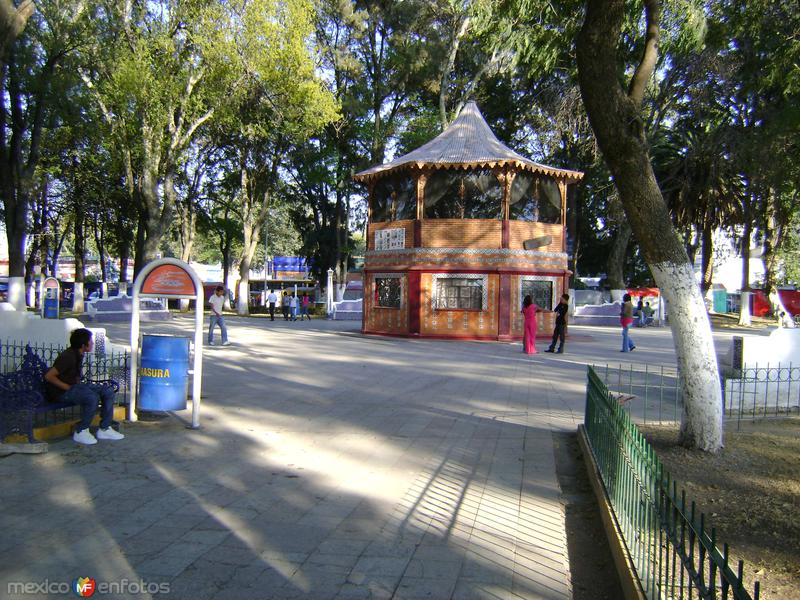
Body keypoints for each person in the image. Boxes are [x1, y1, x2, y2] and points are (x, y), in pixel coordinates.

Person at [44, 328, 124, 445]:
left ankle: (105, 428)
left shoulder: (79, 354)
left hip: (76, 386)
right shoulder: (68, 357)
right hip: (61, 392)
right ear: (83, 345)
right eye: (90, 341)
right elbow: (49, 376)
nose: (92, 343)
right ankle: (81, 430)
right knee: (91, 397)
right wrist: (67, 387)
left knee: (108, 390)